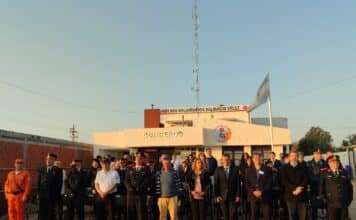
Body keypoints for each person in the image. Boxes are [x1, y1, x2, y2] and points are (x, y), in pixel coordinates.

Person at [319, 156, 353, 220]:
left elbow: (349, 187)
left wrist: (350, 199)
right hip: (331, 203)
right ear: (329, 163)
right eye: (333, 163)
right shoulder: (324, 173)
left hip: (343, 202)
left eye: (337, 162)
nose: (335, 164)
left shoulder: (344, 172)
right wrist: (325, 200)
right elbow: (321, 188)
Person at [155, 154, 184, 220]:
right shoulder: (158, 173)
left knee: (174, 217)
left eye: (167, 163)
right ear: (162, 163)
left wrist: (179, 197)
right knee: (162, 217)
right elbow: (156, 185)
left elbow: (179, 185)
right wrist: (157, 196)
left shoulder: (175, 173)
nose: (166, 164)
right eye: (164, 163)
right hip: (162, 198)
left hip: (173, 198)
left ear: (170, 163)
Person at [281, 151, 308, 220]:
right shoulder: (284, 168)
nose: (294, 157)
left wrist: (300, 188)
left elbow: (306, 179)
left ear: (297, 157)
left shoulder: (303, 167)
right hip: (290, 195)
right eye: (292, 156)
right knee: (292, 216)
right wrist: (294, 189)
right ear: (289, 157)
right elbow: (284, 181)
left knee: (302, 216)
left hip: (302, 195)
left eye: (295, 156)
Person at [246, 153, 272, 220]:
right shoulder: (248, 170)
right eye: (255, 158)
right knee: (254, 215)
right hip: (253, 196)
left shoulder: (267, 169)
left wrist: (261, 192)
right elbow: (247, 183)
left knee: (267, 215)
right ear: (253, 159)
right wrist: (254, 191)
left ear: (261, 159)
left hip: (265, 195)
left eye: (259, 157)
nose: (257, 159)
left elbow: (269, 182)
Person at [124, 152, 150, 220]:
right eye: (137, 158)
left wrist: (140, 188)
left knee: (141, 213)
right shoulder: (130, 168)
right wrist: (130, 189)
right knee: (131, 213)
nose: (138, 159)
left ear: (143, 159)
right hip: (131, 195)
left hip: (140, 194)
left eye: (140, 158)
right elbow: (126, 181)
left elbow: (147, 181)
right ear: (135, 159)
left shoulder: (146, 169)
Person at [214, 154, 240, 220]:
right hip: (222, 196)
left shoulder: (235, 170)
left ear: (230, 160)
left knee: (232, 215)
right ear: (222, 161)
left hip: (233, 196)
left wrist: (238, 195)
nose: (226, 161)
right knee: (225, 215)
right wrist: (217, 195)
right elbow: (216, 184)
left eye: (227, 159)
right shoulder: (218, 170)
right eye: (224, 159)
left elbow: (238, 184)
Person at [38, 153, 63, 220]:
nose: (47, 160)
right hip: (43, 196)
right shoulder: (42, 169)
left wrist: (56, 196)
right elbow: (39, 183)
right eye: (47, 159)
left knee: (50, 214)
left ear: (53, 160)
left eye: (49, 159)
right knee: (42, 213)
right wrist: (38, 194)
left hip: (51, 197)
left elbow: (59, 184)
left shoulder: (58, 170)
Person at [307, 150, 328, 218]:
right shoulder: (309, 163)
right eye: (316, 154)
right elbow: (309, 174)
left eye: (319, 154)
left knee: (323, 199)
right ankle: (314, 214)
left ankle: (325, 214)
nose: (317, 156)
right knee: (314, 201)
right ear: (313, 155)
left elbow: (326, 173)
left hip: (323, 185)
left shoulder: (325, 163)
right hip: (313, 185)